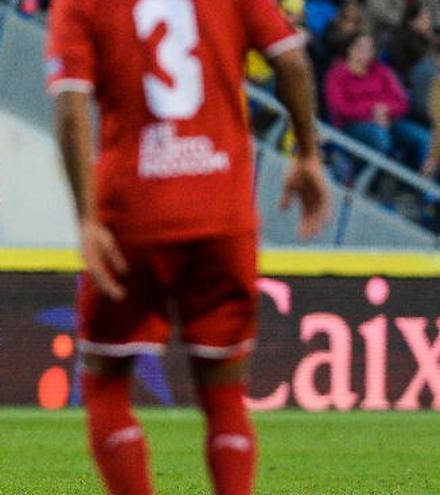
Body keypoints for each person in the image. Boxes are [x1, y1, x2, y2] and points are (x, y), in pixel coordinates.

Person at [46, 0, 329, 494]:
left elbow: (71, 108)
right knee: (223, 392)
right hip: (222, 211)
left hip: (133, 214)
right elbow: (292, 61)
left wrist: (87, 218)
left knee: (106, 382)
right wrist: (306, 153)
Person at [325, 32, 431, 172]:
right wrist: (372, 111)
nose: (363, 52)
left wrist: (385, 110)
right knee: (380, 138)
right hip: (352, 124)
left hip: (388, 120)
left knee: (426, 139)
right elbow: (340, 108)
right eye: (359, 47)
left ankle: (414, 187)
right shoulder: (337, 74)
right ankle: (360, 180)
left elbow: (402, 101)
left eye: (368, 49)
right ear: (350, 48)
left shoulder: (382, 71)